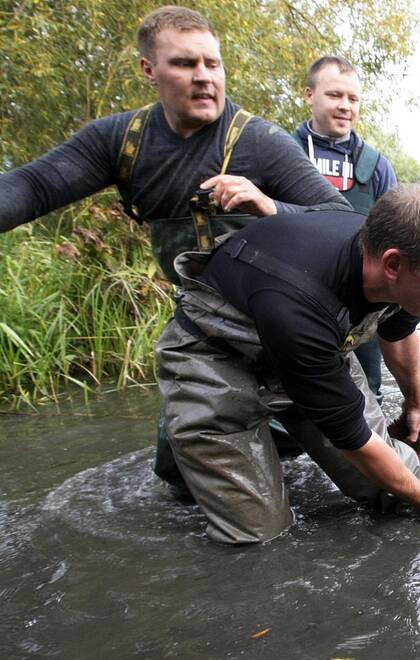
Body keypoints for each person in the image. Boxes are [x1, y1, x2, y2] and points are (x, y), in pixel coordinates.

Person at [0, 6, 349, 485]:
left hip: (285, 325)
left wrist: (269, 205)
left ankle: (298, 435)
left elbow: (344, 222)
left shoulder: (260, 141)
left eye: (213, 64)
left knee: (362, 468)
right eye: (185, 64)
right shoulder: (118, 142)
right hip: (203, 332)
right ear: (149, 70)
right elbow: (32, 188)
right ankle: (253, 442)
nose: (204, 77)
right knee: (178, 473)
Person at [157, 184, 420, 544]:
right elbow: (353, 440)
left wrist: (415, 404)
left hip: (312, 349)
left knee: (402, 486)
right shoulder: (299, 310)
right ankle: (190, 462)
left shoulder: (399, 258)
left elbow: (398, 334)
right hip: (215, 357)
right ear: (392, 264)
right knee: (259, 535)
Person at [294, 55, 401, 405]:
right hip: (293, 303)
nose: (345, 107)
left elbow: (398, 235)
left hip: (360, 309)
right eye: (334, 96)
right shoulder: (281, 152)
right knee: (288, 400)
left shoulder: (376, 166)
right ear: (309, 95)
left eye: (353, 99)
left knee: (368, 397)